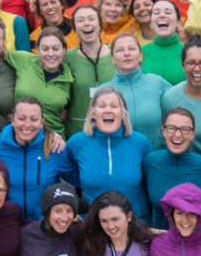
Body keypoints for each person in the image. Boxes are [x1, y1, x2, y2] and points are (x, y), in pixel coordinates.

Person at [64, 86, 153, 221]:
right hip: (93, 225)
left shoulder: (140, 143)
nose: (108, 110)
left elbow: (150, 183)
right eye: (102, 106)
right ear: (93, 112)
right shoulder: (76, 143)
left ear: (123, 112)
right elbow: (66, 178)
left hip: (135, 223)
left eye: (114, 106)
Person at [0, 98, 70, 221]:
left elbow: (77, 182)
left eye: (34, 119)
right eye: (22, 118)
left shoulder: (55, 148)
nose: (27, 124)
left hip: (43, 226)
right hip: (7, 224)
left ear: (42, 122)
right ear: (12, 120)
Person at [144, 109, 201, 229]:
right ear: (163, 131)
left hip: (195, 240)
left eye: (185, 129)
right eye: (171, 128)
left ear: (193, 134)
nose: (177, 135)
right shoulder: (150, 162)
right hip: (159, 239)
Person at [100, 33, 171, 147]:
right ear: (112, 59)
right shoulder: (103, 91)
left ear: (141, 56)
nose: (126, 53)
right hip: (121, 158)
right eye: (120, 50)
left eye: (131, 49)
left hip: (156, 156)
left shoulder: (157, 83)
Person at [9, 27, 74, 134]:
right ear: (37, 51)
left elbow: (69, 109)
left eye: (56, 49)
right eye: (45, 49)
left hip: (54, 139)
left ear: (64, 50)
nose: (50, 54)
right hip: (22, 133)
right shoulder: (24, 61)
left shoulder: (69, 79)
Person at [63, 6, 115, 135]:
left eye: (91, 19)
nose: (86, 23)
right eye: (80, 20)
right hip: (78, 131)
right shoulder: (67, 57)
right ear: (75, 29)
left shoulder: (115, 54)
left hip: (112, 128)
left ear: (100, 25)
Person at [141, 0, 187, 84]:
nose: (162, 15)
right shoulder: (140, 53)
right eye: (156, 13)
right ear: (151, 24)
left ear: (178, 22)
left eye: (168, 12)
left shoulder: (189, 52)